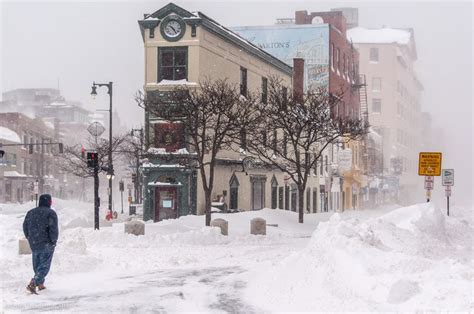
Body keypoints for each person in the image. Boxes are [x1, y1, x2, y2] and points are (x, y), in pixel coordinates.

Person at [23, 194, 58, 294]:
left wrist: (29, 237)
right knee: (44, 265)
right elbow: (53, 229)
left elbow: (25, 226)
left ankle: (40, 284)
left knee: (37, 264)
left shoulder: (31, 212)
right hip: (46, 242)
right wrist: (53, 241)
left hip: (34, 243)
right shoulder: (51, 213)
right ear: (49, 202)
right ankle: (34, 283)